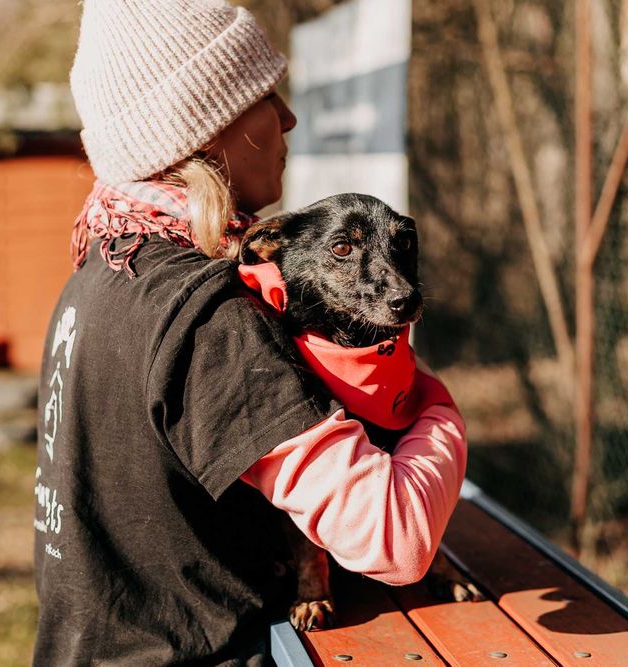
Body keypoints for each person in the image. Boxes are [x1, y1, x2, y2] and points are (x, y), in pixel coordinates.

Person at [32, 1, 468, 665]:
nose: (288, 117)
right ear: (203, 130)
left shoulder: (94, 274)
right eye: (264, 95)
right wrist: (435, 407)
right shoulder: (203, 313)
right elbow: (395, 536)